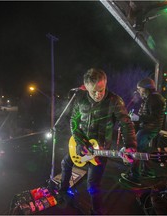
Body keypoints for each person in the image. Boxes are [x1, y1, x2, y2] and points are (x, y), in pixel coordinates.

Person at [59, 68, 137, 214]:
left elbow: (126, 123)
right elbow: (73, 122)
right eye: (93, 91)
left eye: (101, 89)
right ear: (86, 86)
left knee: (92, 185)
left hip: (100, 150)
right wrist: (79, 141)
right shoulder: (80, 99)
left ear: (105, 83)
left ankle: (97, 212)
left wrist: (131, 145)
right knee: (65, 163)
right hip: (81, 145)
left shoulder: (114, 100)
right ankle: (63, 191)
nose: (98, 94)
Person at [121, 78, 166, 186]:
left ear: (146, 89)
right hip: (148, 128)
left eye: (140, 89)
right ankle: (148, 172)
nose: (139, 91)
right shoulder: (151, 98)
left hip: (149, 129)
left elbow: (154, 117)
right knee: (143, 151)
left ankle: (134, 177)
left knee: (135, 151)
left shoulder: (155, 98)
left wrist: (138, 118)